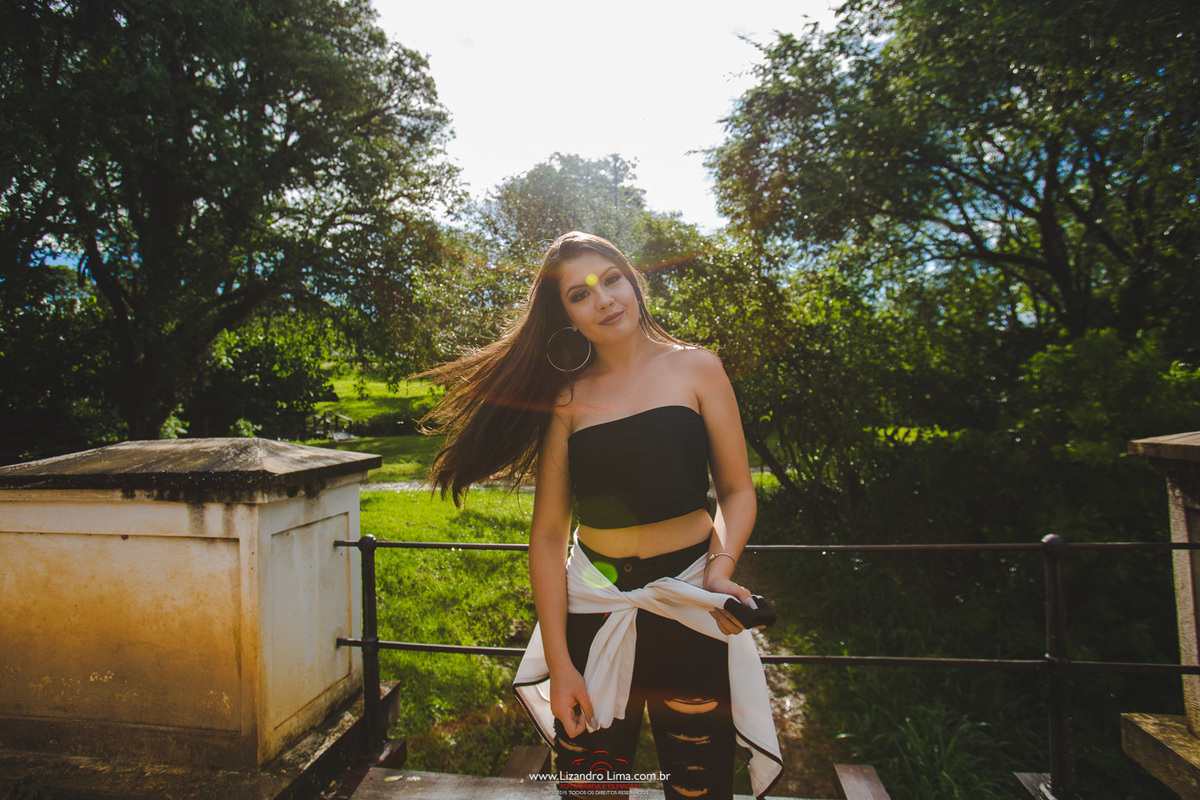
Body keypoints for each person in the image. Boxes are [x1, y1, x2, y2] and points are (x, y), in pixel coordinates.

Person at [422, 231, 782, 799]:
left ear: (633, 282)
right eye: (580, 294)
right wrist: (560, 664)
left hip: (690, 600)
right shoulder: (566, 399)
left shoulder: (697, 369)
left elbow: (737, 490)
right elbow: (548, 536)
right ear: (565, 315)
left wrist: (720, 571)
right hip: (593, 607)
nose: (604, 300)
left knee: (700, 786)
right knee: (590, 788)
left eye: (611, 280)